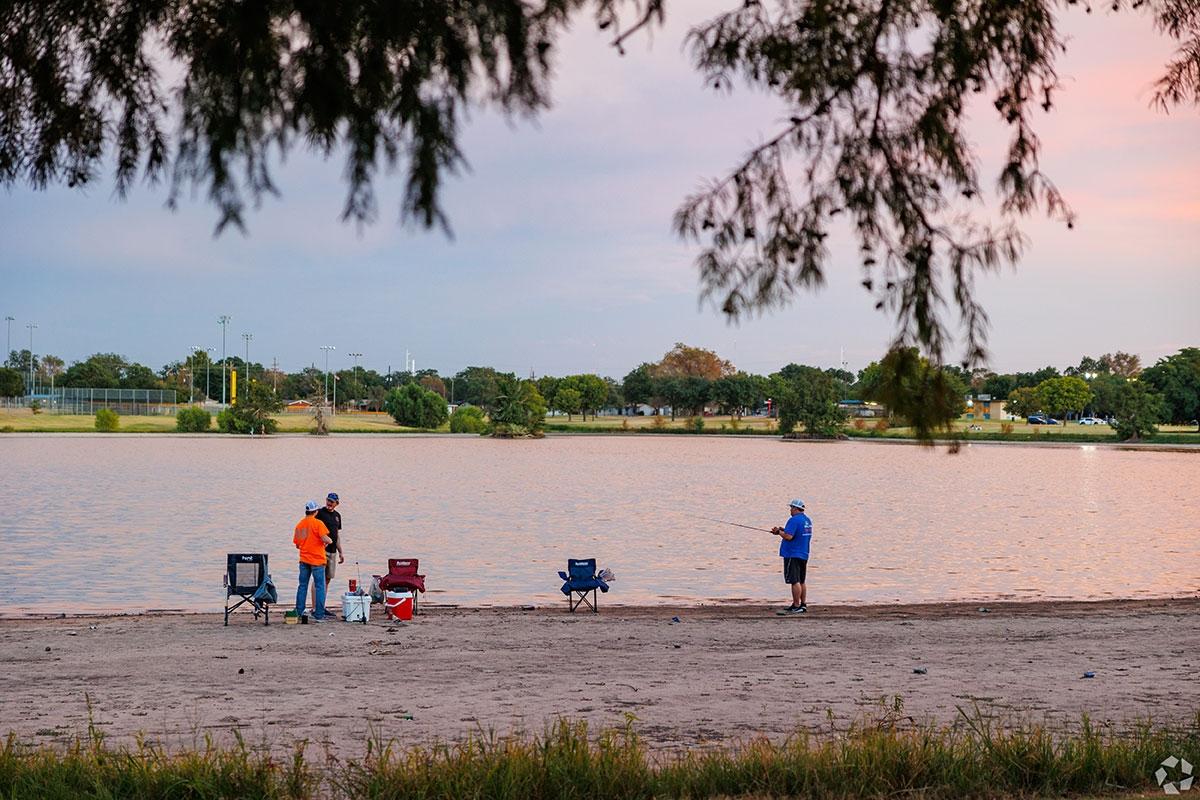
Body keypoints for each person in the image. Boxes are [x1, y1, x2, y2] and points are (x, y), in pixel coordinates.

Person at [772, 498, 812, 615]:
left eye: (791, 507)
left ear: (795, 508)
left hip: (793, 554)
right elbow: (795, 532)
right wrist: (783, 530)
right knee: (801, 580)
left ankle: (796, 605)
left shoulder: (794, 520)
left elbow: (789, 536)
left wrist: (778, 532)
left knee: (794, 581)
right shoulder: (807, 520)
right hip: (803, 553)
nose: (790, 510)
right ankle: (802, 604)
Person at [294, 499, 332, 622]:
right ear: (315, 511)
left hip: (304, 559)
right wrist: (329, 541)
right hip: (317, 560)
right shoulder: (318, 523)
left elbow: (297, 544)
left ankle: (299, 612)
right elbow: (325, 538)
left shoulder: (300, 524)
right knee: (320, 586)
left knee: (302, 586)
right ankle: (319, 615)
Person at [314, 492, 343, 601]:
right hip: (321, 550)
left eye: (332, 502)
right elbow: (313, 530)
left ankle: (322, 604)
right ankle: (315, 607)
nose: (329, 503)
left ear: (337, 503)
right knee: (318, 579)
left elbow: (337, 535)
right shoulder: (320, 513)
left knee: (327, 579)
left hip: (332, 551)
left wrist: (340, 552)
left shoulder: (337, 516)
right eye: (328, 500)